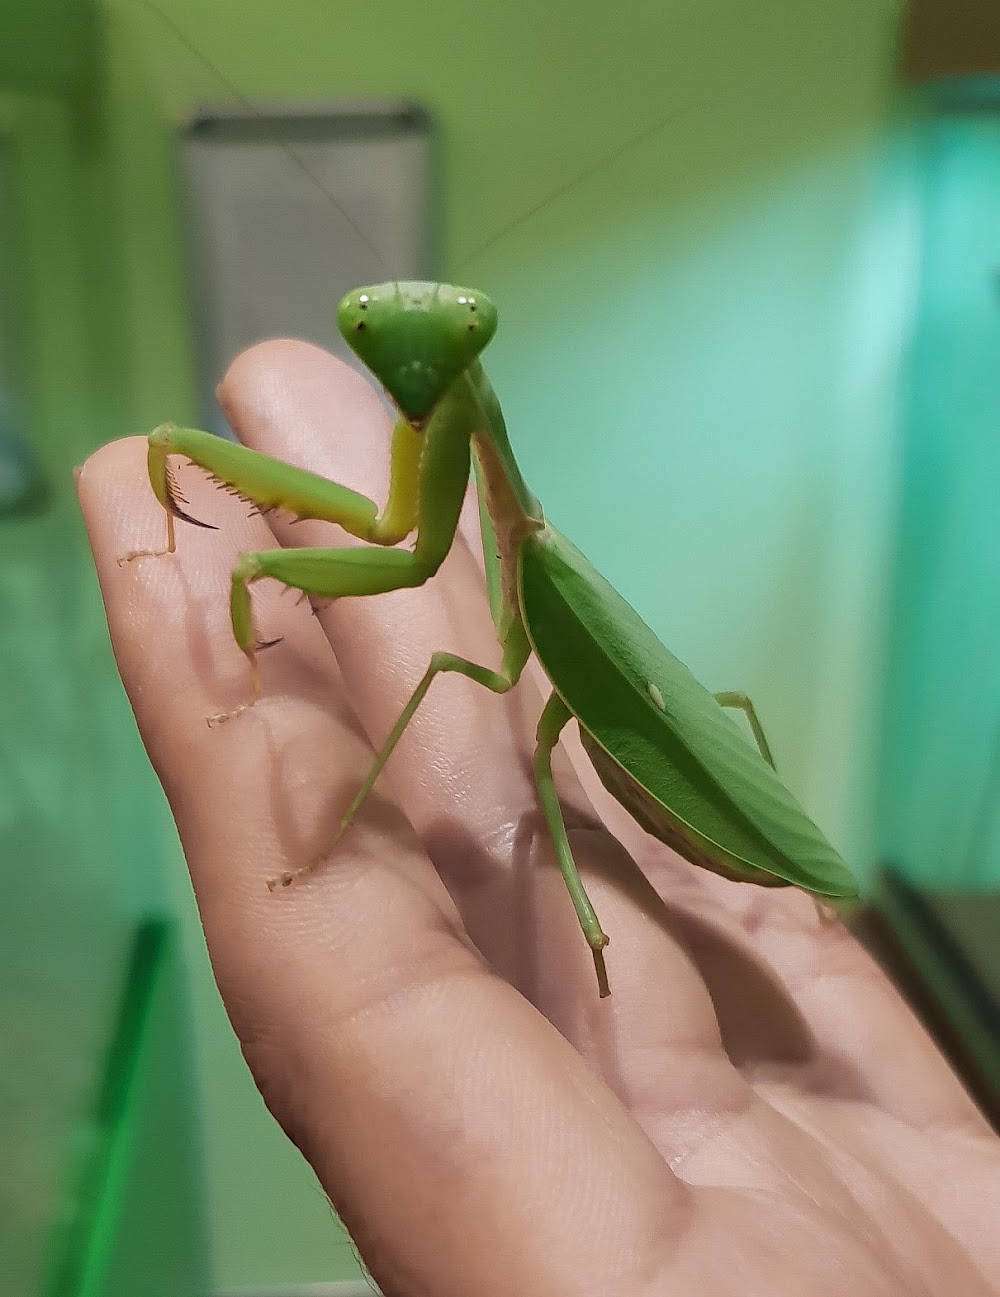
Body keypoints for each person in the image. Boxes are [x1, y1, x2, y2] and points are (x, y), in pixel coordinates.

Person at [78, 340, 999, 1296]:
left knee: (460, 672)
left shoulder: (532, 560)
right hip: (620, 718)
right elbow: (410, 538)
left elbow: (401, 543)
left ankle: (692, 897)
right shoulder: (508, 520)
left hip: (670, 771)